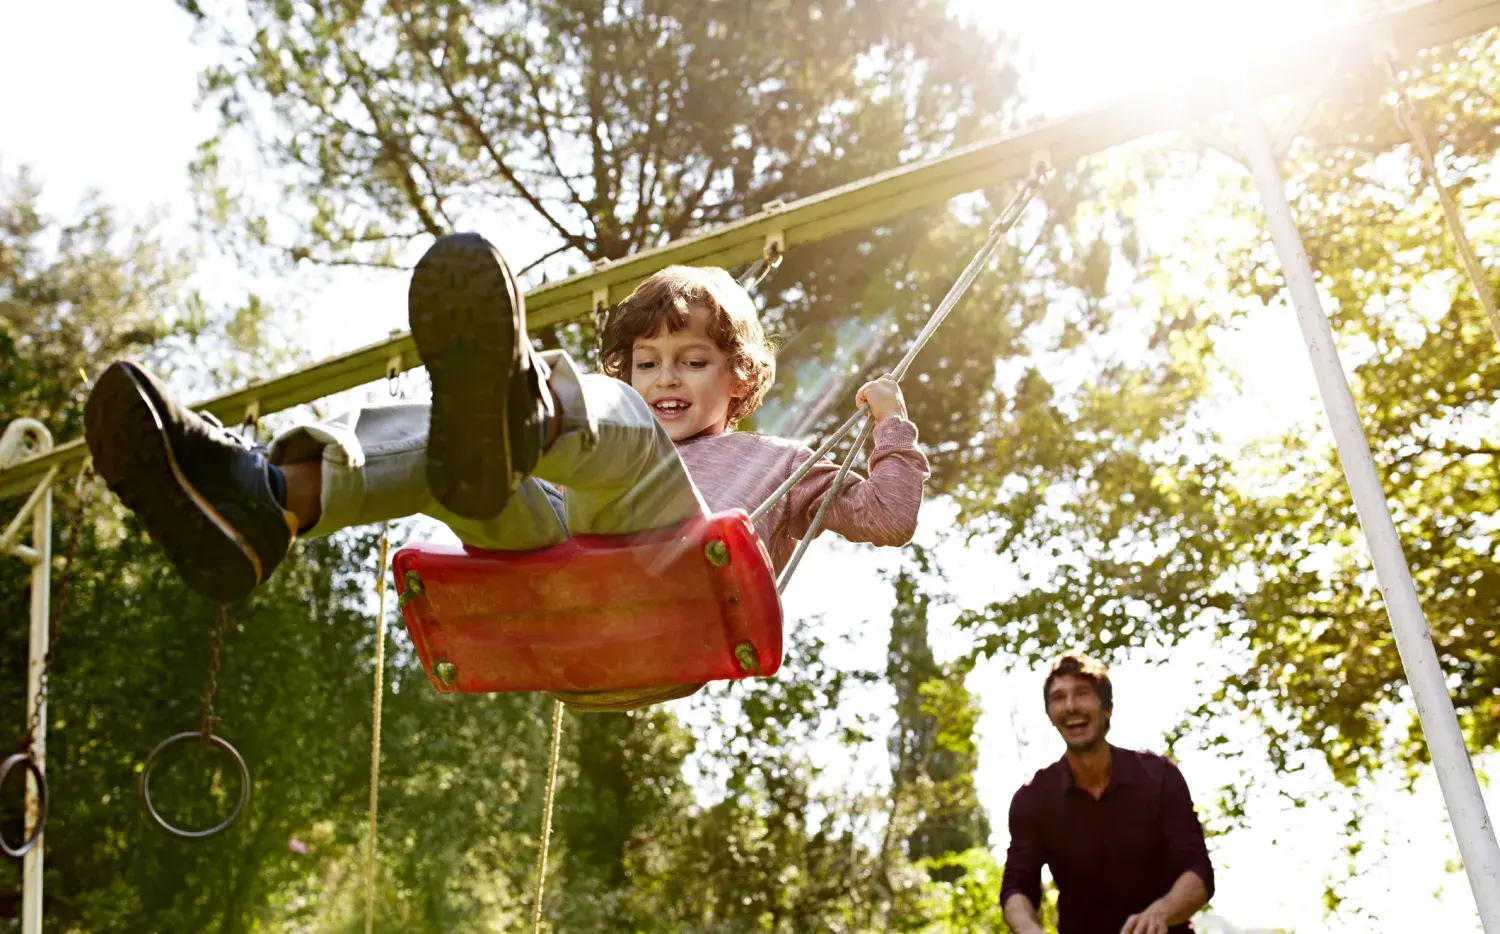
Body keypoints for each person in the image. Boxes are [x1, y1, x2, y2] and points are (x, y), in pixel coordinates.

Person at [82, 233, 931, 708]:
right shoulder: (610, 435)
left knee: (612, 436)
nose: (666, 378)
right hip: (565, 603)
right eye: (647, 362)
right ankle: (270, 499)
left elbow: (888, 518)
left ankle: (519, 412)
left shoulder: (778, 463)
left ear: (739, 382)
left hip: (673, 615)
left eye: (693, 361)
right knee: (450, 456)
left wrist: (891, 426)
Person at [1000, 653, 1215, 934]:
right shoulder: (1033, 799)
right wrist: (1031, 930)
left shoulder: (1159, 777)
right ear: (1050, 715)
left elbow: (1198, 872)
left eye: (1082, 693)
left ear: (1107, 708)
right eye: (1058, 697)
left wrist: (1159, 914)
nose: (1071, 706)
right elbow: (1017, 887)